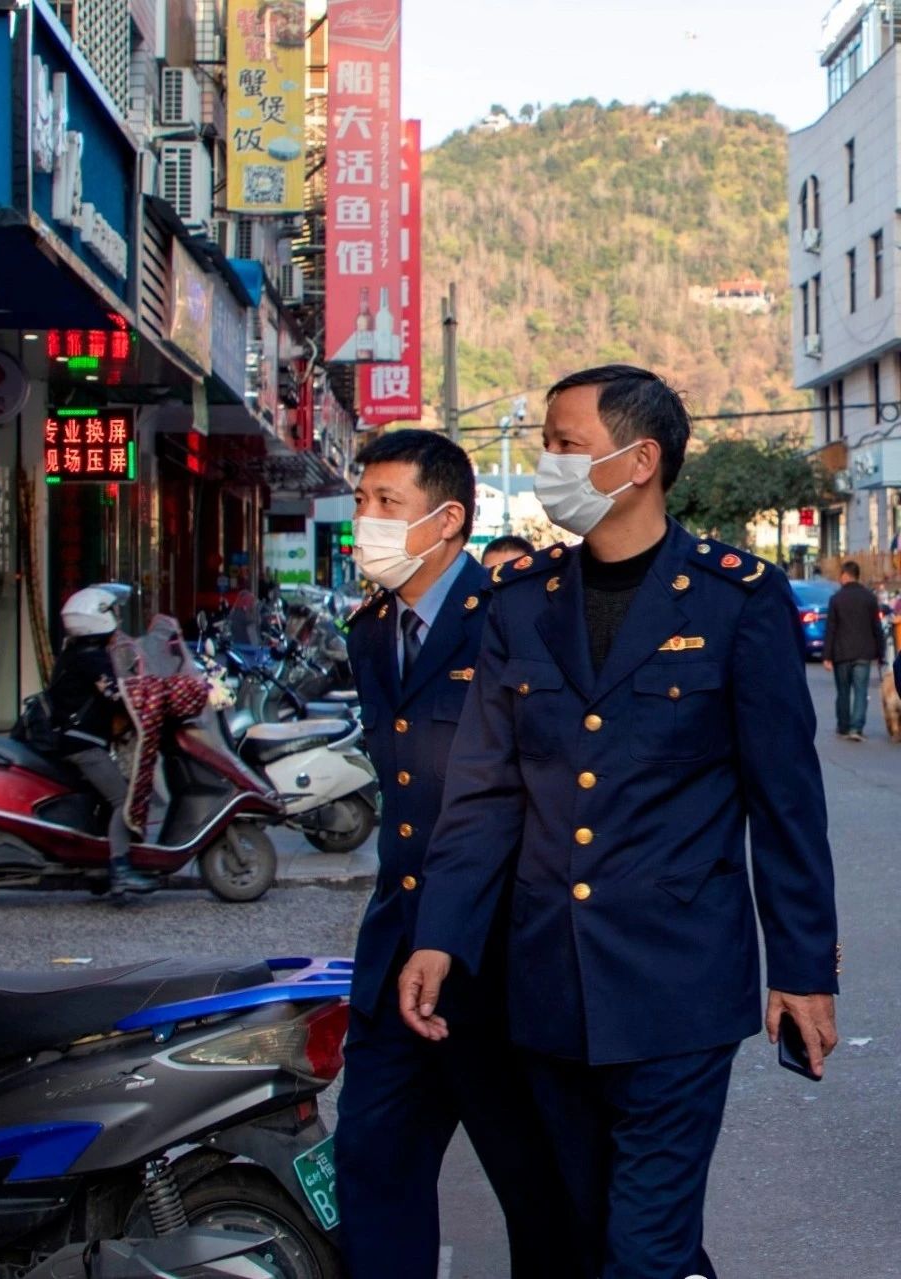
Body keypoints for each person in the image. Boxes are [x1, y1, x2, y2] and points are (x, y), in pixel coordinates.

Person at [399, 365, 839, 1279]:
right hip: (548, 981)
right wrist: (440, 935)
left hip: (678, 983)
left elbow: (785, 802)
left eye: (564, 445)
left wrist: (802, 969)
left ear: (638, 461)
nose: (545, 463)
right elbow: (484, 792)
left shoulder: (734, 601)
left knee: (642, 1247)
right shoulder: (520, 605)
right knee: (594, 1230)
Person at [337, 429, 577, 1279]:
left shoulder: (520, 617)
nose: (364, 519)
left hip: (498, 960)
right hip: (399, 948)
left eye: (386, 504)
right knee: (371, 1169)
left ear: (446, 522)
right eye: (362, 501)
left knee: (541, 1188)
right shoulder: (371, 630)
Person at [50, 588, 157, 899]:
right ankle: (120, 869)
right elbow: (117, 696)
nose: (117, 621)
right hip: (81, 744)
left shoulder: (75, 652)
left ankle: (99, 859)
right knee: (123, 799)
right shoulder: (92, 659)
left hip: (75, 739)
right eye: (112, 613)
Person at [822, 559, 884, 741]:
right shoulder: (870, 598)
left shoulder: (836, 599)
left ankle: (843, 726)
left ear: (845, 575)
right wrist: (881, 653)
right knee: (861, 691)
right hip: (864, 653)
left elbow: (831, 628)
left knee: (843, 691)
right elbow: (877, 627)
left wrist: (827, 656)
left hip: (841, 653)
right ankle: (856, 728)